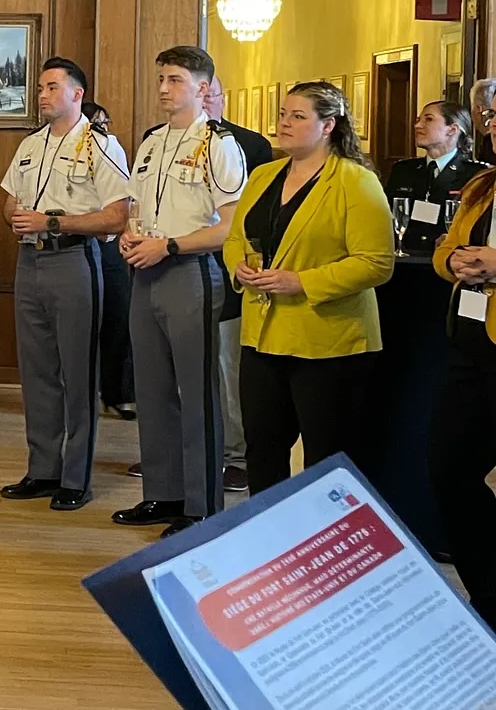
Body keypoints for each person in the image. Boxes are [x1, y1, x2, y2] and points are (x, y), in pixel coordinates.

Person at [224, 81, 393, 495]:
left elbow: (376, 263)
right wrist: (240, 269)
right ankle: (267, 540)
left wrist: (301, 281)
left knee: (326, 457)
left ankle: (327, 545)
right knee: (262, 448)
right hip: (263, 334)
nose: (284, 123)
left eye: (298, 116)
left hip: (328, 339)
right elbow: (236, 239)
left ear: (328, 125)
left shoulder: (355, 181)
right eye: (283, 114)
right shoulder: (264, 175)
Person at [114, 46, 246, 537]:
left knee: (197, 394)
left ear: (203, 88)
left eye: (174, 80)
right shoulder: (152, 143)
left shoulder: (218, 145)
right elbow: (137, 208)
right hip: (145, 272)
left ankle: (201, 503)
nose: (164, 89)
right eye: (161, 79)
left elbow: (229, 228)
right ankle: (163, 493)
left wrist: (167, 245)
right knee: (151, 392)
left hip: (190, 272)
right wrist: (132, 232)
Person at [0, 61, 130, 510]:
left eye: (52, 87)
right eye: (39, 87)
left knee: (78, 371)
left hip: (75, 260)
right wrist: (18, 218)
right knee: (36, 373)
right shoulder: (30, 145)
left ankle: (76, 477)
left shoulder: (100, 145)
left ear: (78, 94)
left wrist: (51, 220)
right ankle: (42, 469)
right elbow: (10, 202)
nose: (42, 94)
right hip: (29, 262)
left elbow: (117, 215)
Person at [431, 78, 496, 627]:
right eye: (492, 117)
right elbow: (446, 247)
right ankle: (489, 594)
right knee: (449, 468)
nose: (492, 124)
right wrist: (453, 263)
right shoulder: (482, 188)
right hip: (470, 345)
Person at [203, 75, 274, 494]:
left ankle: (234, 454)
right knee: (182, 367)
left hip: (230, 266)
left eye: (212, 94)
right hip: (172, 266)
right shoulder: (159, 139)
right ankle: (185, 448)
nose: (206, 101)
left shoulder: (251, 145)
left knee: (229, 367)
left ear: (221, 98)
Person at [83, 99, 135, 420]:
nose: (101, 129)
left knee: (117, 316)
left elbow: (125, 197)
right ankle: (83, 393)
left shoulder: (111, 149)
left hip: (110, 243)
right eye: (94, 123)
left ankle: (118, 392)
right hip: (75, 242)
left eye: (105, 122)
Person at [386, 100, 483, 254]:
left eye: (428, 119)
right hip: (405, 260)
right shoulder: (403, 170)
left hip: (449, 262)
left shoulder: (476, 175)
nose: (417, 125)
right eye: (418, 120)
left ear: (452, 129)